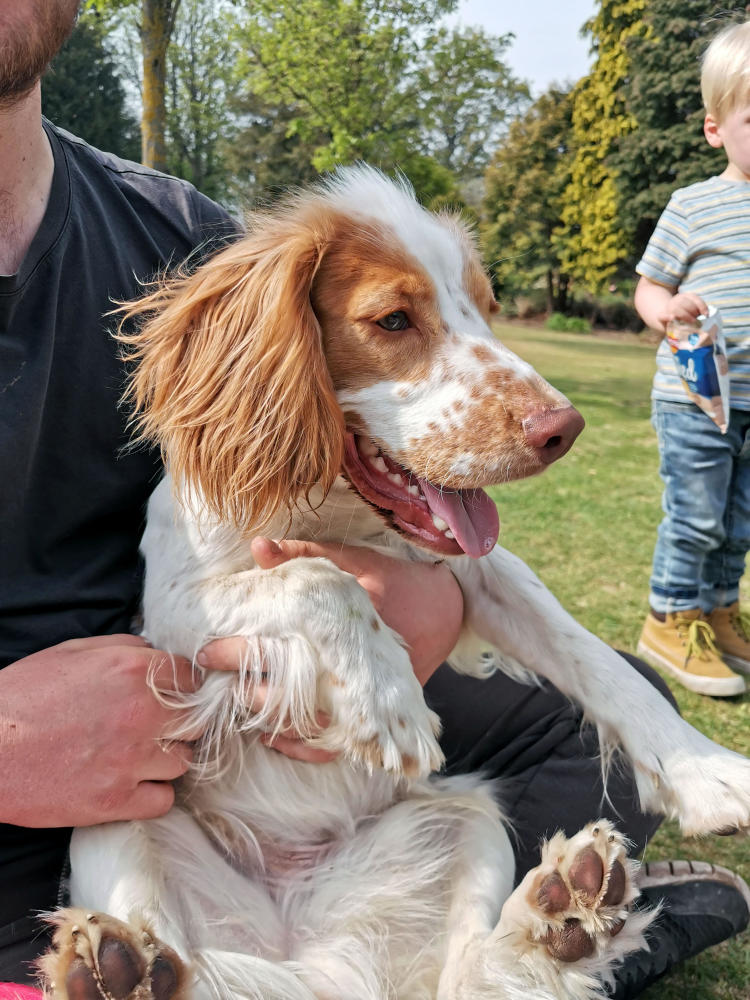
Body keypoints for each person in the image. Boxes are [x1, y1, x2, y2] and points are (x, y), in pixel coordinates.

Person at [0, 5, 746, 999]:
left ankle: (470, 960)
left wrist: (429, 604)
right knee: (110, 879)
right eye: (396, 318)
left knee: (613, 714)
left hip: (227, 745)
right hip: (112, 842)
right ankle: (552, 956)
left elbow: (357, 525)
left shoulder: (183, 234)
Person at [634, 19, 750, 699]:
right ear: (715, 129)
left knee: (737, 524)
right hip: (696, 396)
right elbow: (650, 286)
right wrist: (662, 311)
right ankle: (669, 619)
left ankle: (717, 612)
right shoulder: (695, 206)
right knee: (698, 516)